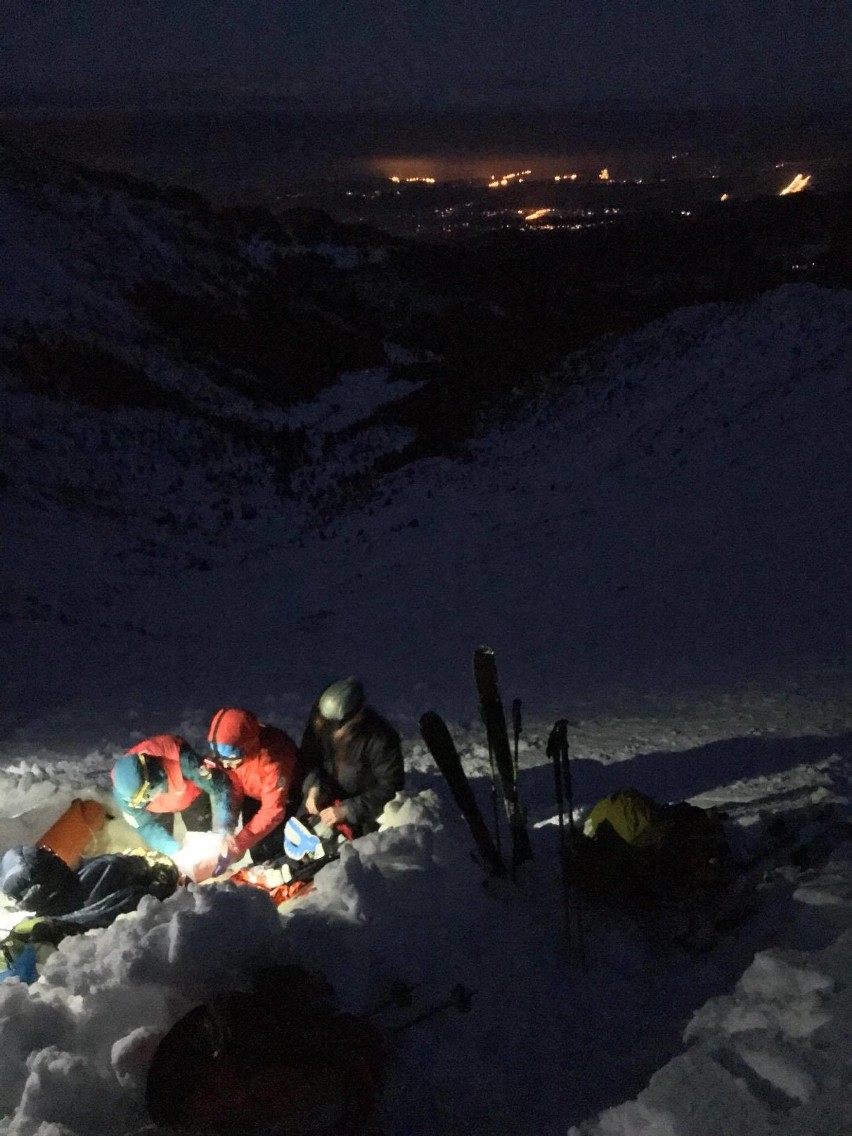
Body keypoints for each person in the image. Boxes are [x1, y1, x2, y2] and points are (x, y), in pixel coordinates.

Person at [111, 734, 234, 876]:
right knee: (166, 855)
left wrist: (224, 829)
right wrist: (174, 851)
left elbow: (220, 788)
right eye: (146, 799)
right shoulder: (124, 792)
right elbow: (144, 825)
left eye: (151, 793)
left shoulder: (182, 760)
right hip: (158, 810)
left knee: (202, 844)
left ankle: (206, 880)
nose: (155, 797)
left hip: (192, 797)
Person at [299, 677, 404, 837]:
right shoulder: (321, 721)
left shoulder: (380, 738)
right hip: (326, 797)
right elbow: (310, 758)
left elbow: (390, 787)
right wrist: (313, 787)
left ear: (357, 715)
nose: (331, 730)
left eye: (336, 725)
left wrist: (347, 810)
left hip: (360, 807)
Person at [206, 707, 300, 869]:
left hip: (287, 799)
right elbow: (234, 786)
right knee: (254, 846)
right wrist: (225, 826)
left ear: (247, 746)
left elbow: (273, 810)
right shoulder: (232, 756)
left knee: (264, 846)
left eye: (231, 759)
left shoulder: (274, 761)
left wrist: (238, 845)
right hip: (254, 793)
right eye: (222, 761)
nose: (226, 765)